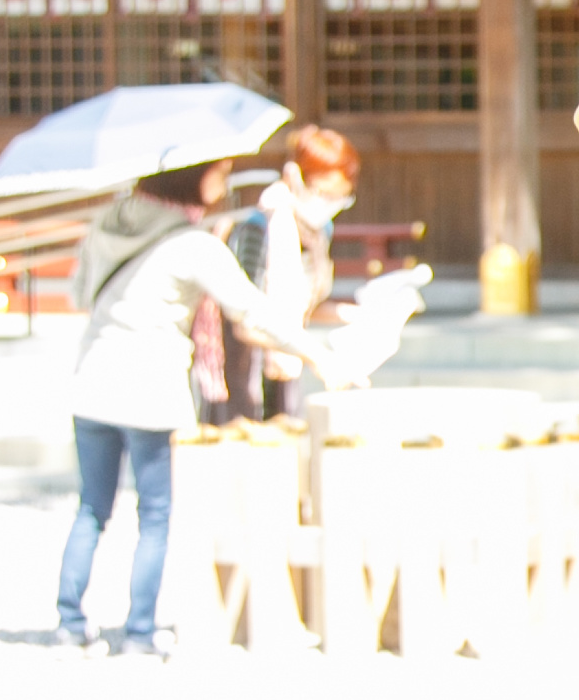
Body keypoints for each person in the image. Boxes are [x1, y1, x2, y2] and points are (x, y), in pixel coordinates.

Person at [58, 158, 325, 653]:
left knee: (91, 507)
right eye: (217, 173)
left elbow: (78, 294)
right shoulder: (192, 244)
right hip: (149, 389)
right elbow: (250, 308)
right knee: (155, 513)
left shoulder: (104, 225)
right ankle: (139, 630)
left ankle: (69, 621)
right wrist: (316, 352)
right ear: (190, 177)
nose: (223, 183)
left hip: (92, 380)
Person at [222, 123, 361, 421]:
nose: (331, 203)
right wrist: (314, 355)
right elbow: (245, 318)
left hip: (289, 362)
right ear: (298, 179)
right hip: (247, 371)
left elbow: (306, 303)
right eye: (325, 192)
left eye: (340, 196)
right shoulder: (260, 227)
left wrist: (354, 316)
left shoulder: (318, 231)